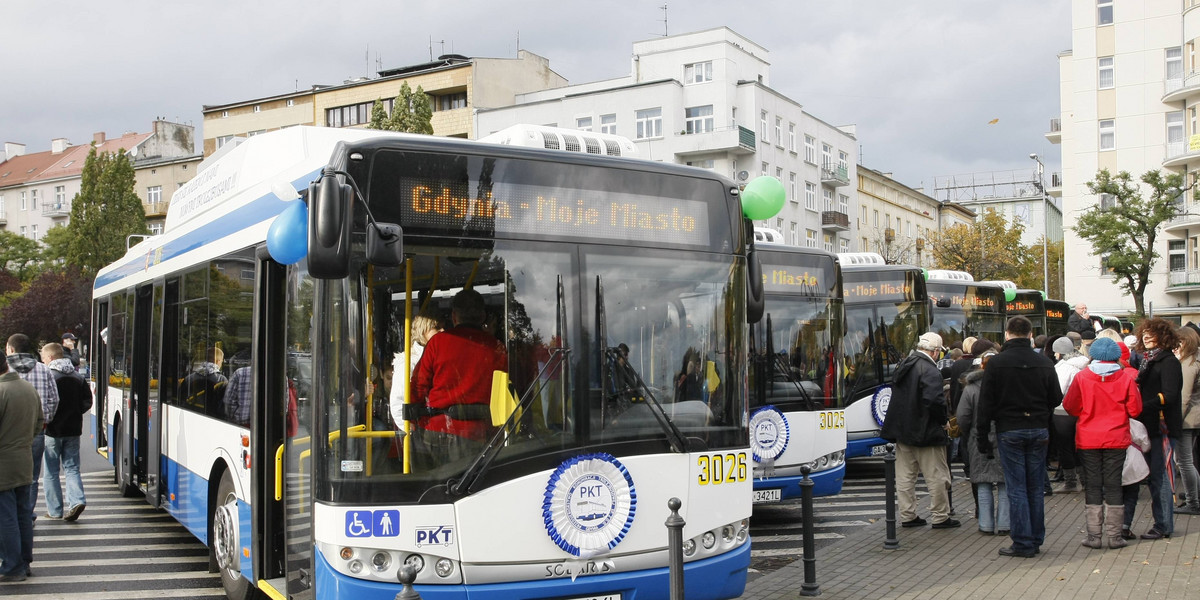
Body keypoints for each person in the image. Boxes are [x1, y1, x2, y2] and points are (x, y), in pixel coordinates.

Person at [977, 316, 1062, 558]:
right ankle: (1035, 538)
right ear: (1030, 334)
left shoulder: (996, 364)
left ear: (1006, 334)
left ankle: (1023, 541)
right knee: (1035, 486)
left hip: (1009, 428)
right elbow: (1056, 398)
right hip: (1038, 427)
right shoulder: (1044, 363)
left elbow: (985, 404)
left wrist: (983, 438)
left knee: (1017, 488)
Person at [407, 289, 508, 467]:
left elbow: (418, 386)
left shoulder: (437, 343)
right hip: (476, 434)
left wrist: (423, 421)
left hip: (436, 430)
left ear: (454, 316)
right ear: (483, 316)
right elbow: (505, 392)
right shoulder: (496, 348)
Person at [1061, 336, 1142, 549]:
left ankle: (1094, 536)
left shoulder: (1082, 377)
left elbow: (1070, 407)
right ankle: (1115, 537)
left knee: (1093, 485)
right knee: (1115, 485)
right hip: (1117, 437)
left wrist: (1086, 413)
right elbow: (1135, 409)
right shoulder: (1125, 378)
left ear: (1093, 355)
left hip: (1088, 438)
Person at [880, 331, 959, 529]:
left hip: (902, 431)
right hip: (926, 432)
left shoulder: (904, 365)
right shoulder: (930, 370)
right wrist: (943, 421)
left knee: (905, 476)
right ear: (934, 352)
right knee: (937, 476)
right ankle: (940, 516)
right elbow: (934, 400)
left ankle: (907, 515)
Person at [1129, 318, 1183, 539]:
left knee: (1159, 477)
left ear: (1164, 337)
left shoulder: (1168, 361)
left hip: (1162, 426)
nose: (1147, 337)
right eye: (1145, 334)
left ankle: (1163, 525)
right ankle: (1162, 523)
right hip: (1149, 425)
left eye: (1152, 334)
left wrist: (1141, 406)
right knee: (1153, 477)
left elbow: (1169, 395)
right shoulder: (1148, 360)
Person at [0, 349, 43, 583]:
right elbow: (39, 423)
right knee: (23, 512)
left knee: (5, 515)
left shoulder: (1, 391)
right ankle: (24, 561)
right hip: (24, 458)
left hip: (3, 462)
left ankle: (12, 565)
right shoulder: (28, 388)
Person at [6, 334, 59, 520]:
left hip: (8, 433)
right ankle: (27, 513)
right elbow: (54, 399)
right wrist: (45, 420)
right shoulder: (43, 370)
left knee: (7, 477)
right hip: (36, 431)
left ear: (11, 349)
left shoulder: (5, 369)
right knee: (32, 476)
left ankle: (11, 513)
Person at [39, 343, 93, 522]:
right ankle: (77, 500)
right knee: (72, 468)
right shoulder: (77, 377)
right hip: (74, 429)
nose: (43, 361)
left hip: (53, 430)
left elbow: (47, 402)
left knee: (51, 471)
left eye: (44, 358)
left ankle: (54, 510)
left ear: (51, 358)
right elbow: (87, 400)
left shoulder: (49, 376)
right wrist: (76, 412)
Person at [956, 350, 1007, 535]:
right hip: (1003, 436)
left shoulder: (970, 388)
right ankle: (1005, 524)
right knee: (1004, 482)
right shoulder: (1006, 385)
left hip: (978, 437)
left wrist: (968, 432)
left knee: (983, 481)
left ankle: (985, 525)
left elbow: (962, 416)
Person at [1051, 336, 1090, 494]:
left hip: (1063, 412)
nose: (1054, 356)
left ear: (1060, 353)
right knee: (1079, 446)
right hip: (1082, 411)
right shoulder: (1084, 364)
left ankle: (1070, 482)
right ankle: (1085, 481)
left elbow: (1057, 391)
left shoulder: (1064, 368)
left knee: (1065, 448)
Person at [1177, 326, 1200, 515]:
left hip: (1188, 419)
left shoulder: (1188, 363)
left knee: (1184, 462)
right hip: (1195, 417)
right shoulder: (1197, 359)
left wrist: (1175, 420)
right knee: (1189, 461)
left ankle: (1193, 502)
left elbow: (1184, 396)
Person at [180, 347, 227, 416]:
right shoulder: (222, 380)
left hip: (190, 414)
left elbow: (181, 399)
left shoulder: (189, 378)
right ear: (218, 361)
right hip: (213, 418)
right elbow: (224, 405)